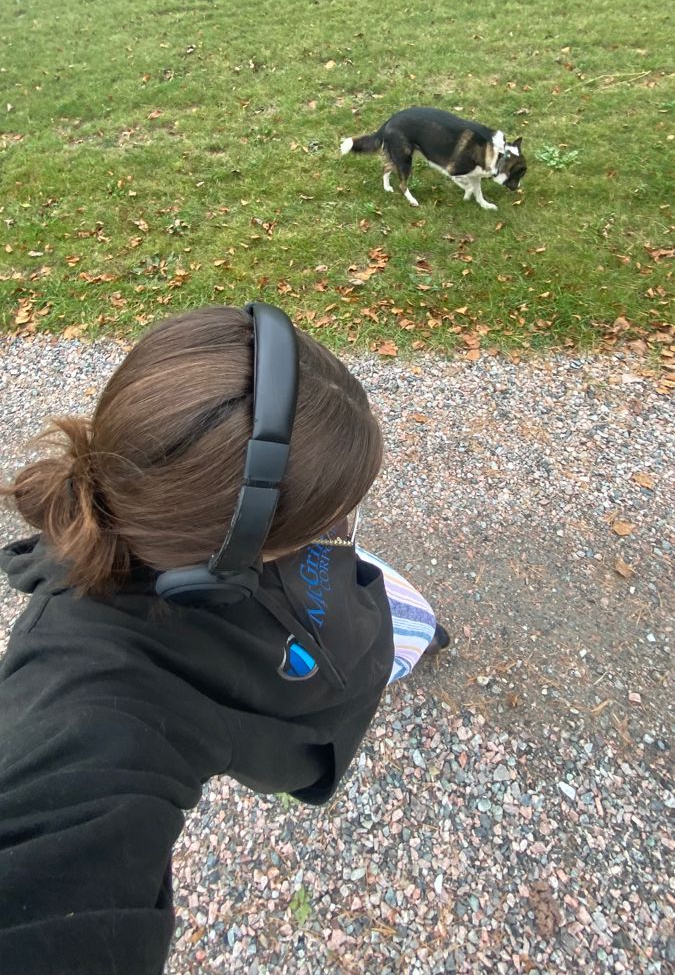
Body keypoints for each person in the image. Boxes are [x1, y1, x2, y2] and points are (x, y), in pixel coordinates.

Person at [0, 304, 447, 975]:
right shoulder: (87, 702)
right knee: (408, 631)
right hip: (301, 702)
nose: (342, 524)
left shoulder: (163, 496)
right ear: (230, 553)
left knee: (405, 615)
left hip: (321, 620)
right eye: (330, 518)